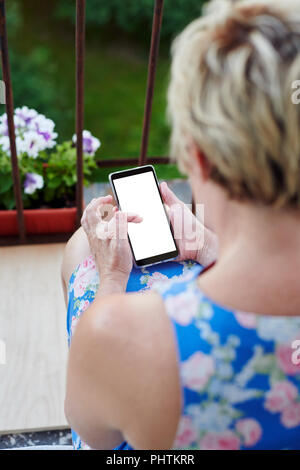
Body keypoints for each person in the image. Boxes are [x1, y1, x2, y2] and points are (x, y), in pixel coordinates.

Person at [61, 0, 300, 450]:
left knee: (81, 253)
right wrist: (209, 246)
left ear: (202, 159)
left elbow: (90, 431)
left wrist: (111, 279)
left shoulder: (121, 336)